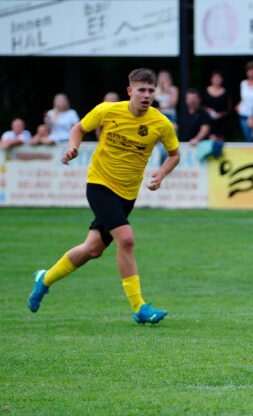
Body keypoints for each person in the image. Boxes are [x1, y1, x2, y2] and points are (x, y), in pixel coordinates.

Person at [27, 68, 180, 324]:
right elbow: (78, 128)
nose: (146, 95)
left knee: (92, 249)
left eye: (151, 91)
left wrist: (161, 174)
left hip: (127, 194)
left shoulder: (160, 123)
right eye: (141, 90)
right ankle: (139, 308)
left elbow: (174, 155)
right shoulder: (108, 111)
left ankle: (45, 278)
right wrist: (72, 148)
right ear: (130, 91)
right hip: (100, 185)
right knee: (127, 240)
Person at [201, 70, 231, 141]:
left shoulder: (226, 92)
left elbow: (228, 108)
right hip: (208, 121)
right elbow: (201, 106)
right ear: (211, 79)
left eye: (219, 78)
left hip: (222, 121)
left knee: (220, 141)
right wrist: (208, 111)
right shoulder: (205, 91)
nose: (217, 80)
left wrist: (221, 114)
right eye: (215, 78)